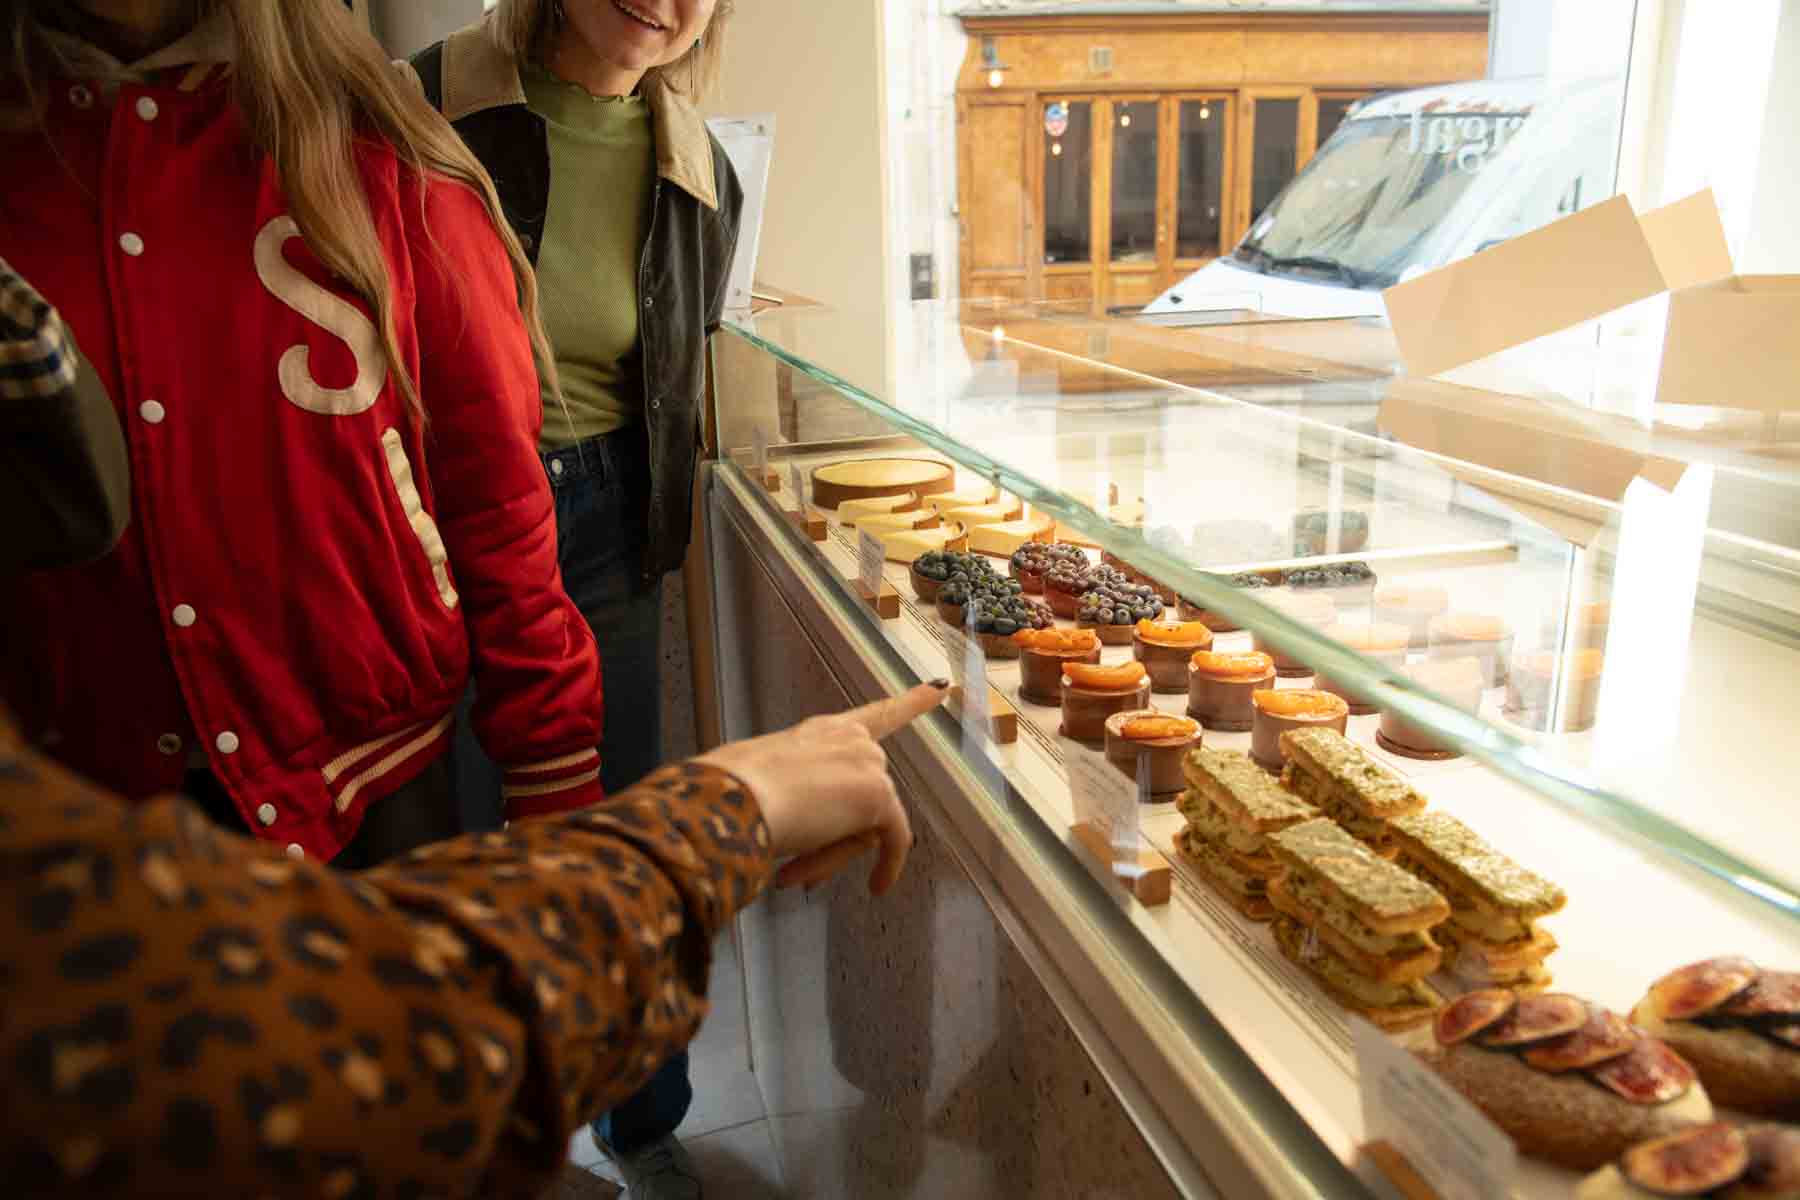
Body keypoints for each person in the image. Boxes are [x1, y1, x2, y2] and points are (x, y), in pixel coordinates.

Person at [1, 252, 948, 1197]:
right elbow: (344, 1042)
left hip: (363, 767)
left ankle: (631, 1130)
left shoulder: (408, 182)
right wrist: (717, 817)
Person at [0, 0, 612, 868]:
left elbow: (497, 501)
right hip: (69, 834)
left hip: (369, 812)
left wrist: (554, 781)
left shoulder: (383, 155)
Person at [409, 2, 737, 1191]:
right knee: (454, 838)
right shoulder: (423, 102)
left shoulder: (701, 164)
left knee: (623, 838)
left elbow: (692, 351)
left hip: (607, 516)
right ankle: (478, 1135)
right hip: (439, 513)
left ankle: (644, 1128)